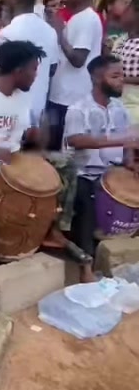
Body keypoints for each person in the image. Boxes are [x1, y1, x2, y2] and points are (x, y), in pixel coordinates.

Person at [0, 41, 91, 309]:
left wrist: (37, 139)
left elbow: (20, 136)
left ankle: (56, 230)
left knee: (66, 165)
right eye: (33, 70)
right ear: (17, 71)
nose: (36, 76)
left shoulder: (22, 96)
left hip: (12, 159)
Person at [64, 55, 137, 256]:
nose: (121, 80)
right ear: (97, 78)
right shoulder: (78, 109)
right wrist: (119, 140)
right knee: (87, 205)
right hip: (83, 175)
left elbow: (129, 142)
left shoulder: (119, 108)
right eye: (115, 76)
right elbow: (76, 140)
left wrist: (130, 161)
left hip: (112, 172)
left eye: (122, 75)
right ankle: (87, 259)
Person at [47, 0, 103, 149]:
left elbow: (78, 59)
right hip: (62, 94)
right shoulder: (78, 18)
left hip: (71, 98)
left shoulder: (87, 19)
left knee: (59, 150)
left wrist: (59, 33)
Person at [0, 0, 59, 123]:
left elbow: (0, 73)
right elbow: (52, 68)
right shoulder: (49, 30)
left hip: (10, 112)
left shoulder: (7, 32)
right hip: (38, 108)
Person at [115, 0, 139, 123]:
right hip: (116, 107)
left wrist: (121, 79)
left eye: (127, 10)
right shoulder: (121, 40)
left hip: (135, 109)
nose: (122, 13)